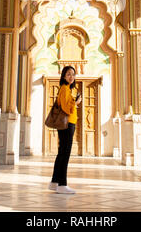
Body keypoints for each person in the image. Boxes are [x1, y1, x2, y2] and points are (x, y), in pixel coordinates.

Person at [49, 65, 82, 194]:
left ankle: (54, 182)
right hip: (67, 124)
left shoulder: (67, 89)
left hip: (69, 123)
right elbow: (66, 108)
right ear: (63, 76)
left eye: (73, 74)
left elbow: (67, 105)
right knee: (65, 154)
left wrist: (73, 102)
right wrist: (76, 103)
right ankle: (62, 184)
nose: (71, 77)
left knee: (62, 153)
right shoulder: (64, 89)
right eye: (68, 74)